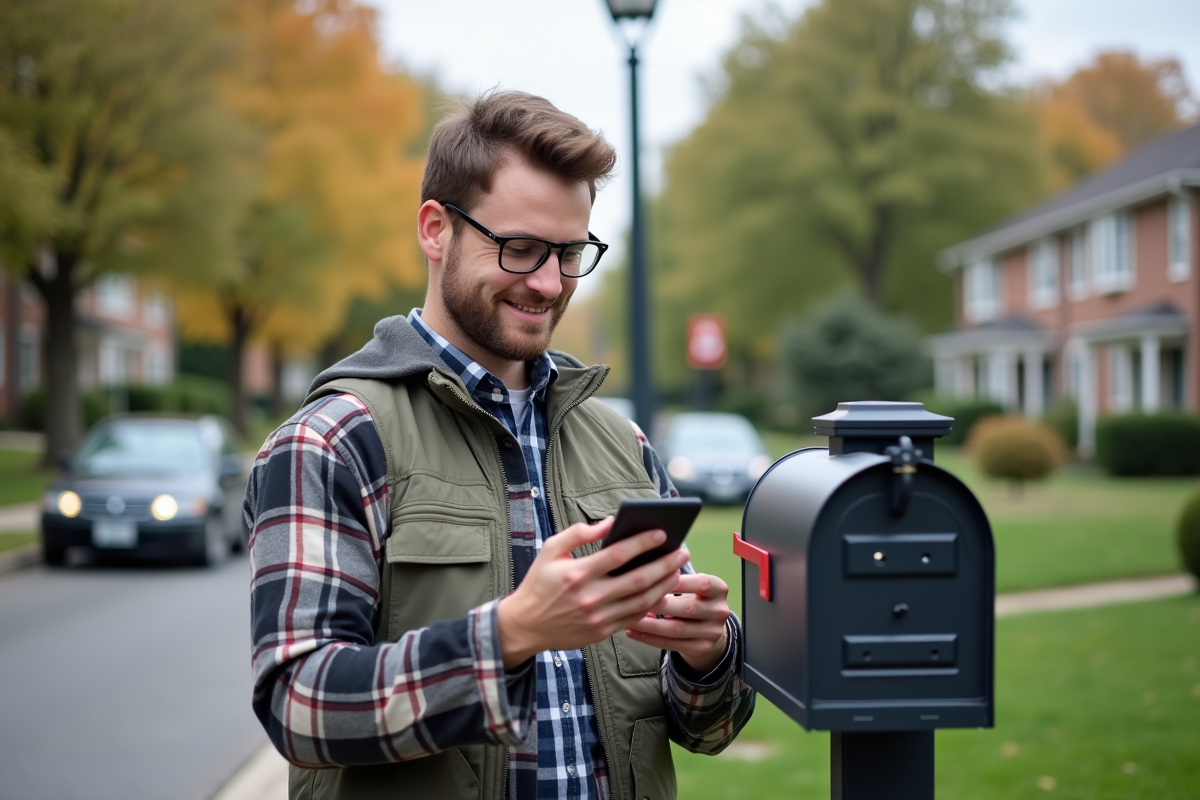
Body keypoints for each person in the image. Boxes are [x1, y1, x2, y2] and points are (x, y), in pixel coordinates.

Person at [244, 90, 755, 800]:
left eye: (570, 253)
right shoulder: (332, 440)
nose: (548, 284)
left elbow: (709, 730)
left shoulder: (623, 442)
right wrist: (509, 635)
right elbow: (298, 706)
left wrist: (708, 655)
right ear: (435, 229)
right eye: (519, 249)